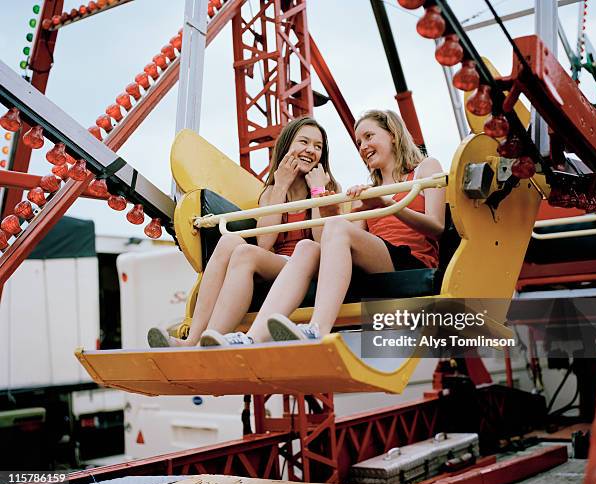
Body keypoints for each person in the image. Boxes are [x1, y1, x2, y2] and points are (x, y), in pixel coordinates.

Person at [147, 116, 339, 347]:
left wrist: (317, 190)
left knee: (247, 254)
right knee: (230, 242)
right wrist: (280, 187)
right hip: (280, 262)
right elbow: (265, 244)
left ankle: (211, 338)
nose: (310, 150)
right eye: (304, 142)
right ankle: (194, 338)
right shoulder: (271, 193)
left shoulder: (328, 188)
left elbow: (322, 241)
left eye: (318, 147)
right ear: (287, 146)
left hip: (310, 262)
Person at [262, 109, 446, 341]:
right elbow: (343, 241)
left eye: (369, 137)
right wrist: (334, 211)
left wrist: (387, 204)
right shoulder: (366, 192)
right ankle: (256, 335)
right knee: (309, 246)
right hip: (379, 259)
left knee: (338, 228)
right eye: (359, 142)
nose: (363, 147)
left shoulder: (425, 169)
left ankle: (317, 327)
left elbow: (437, 226)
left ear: (393, 135)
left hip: (413, 259)